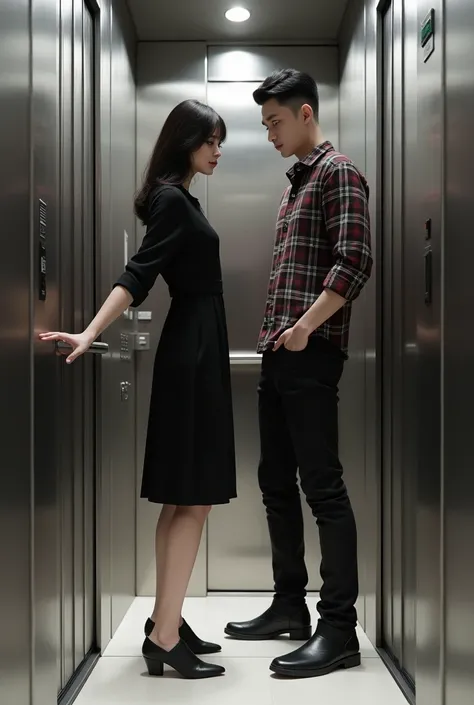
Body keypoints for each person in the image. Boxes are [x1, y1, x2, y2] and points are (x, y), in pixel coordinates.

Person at [40, 99, 236, 680]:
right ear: (186, 143)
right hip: (193, 351)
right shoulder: (175, 202)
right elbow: (137, 276)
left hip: (195, 346)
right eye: (211, 141)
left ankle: (163, 620)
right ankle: (166, 635)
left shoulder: (180, 198)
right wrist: (91, 329)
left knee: (185, 495)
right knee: (194, 497)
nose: (217, 150)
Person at [225, 69, 373, 679]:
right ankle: (290, 606)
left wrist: (307, 327)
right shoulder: (293, 186)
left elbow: (356, 262)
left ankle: (338, 630)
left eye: (275, 122)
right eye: (264, 125)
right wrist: (281, 339)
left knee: (323, 487)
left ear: (306, 113)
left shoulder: (340, 173)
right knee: (274, 483)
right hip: (279, 353)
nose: (269, 134)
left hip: (310, 353)